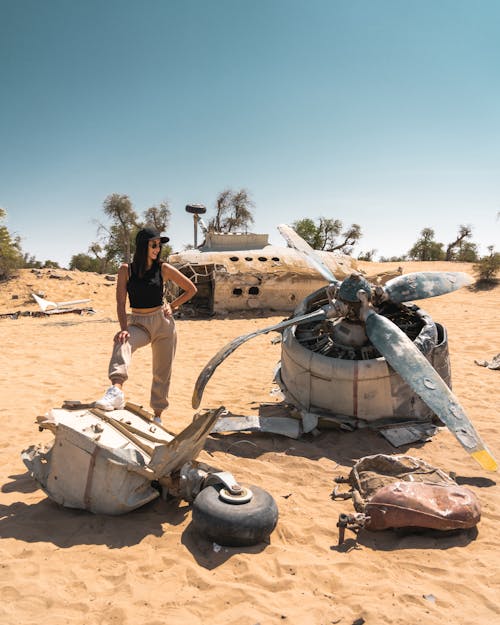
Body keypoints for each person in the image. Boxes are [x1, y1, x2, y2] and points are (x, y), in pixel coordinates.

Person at [95, 227, 197, 423]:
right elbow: (120, 302)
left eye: (159, 245)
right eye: (154, 245)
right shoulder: (126, 270)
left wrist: (173, 305)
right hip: (138, 323)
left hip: (162, 324)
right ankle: (116, 391)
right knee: (121, 342)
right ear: (143, 246)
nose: (158, 249)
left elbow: (190, 289)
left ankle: (158, 415)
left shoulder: (163, 268)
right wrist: (124, 328)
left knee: (162, 371)